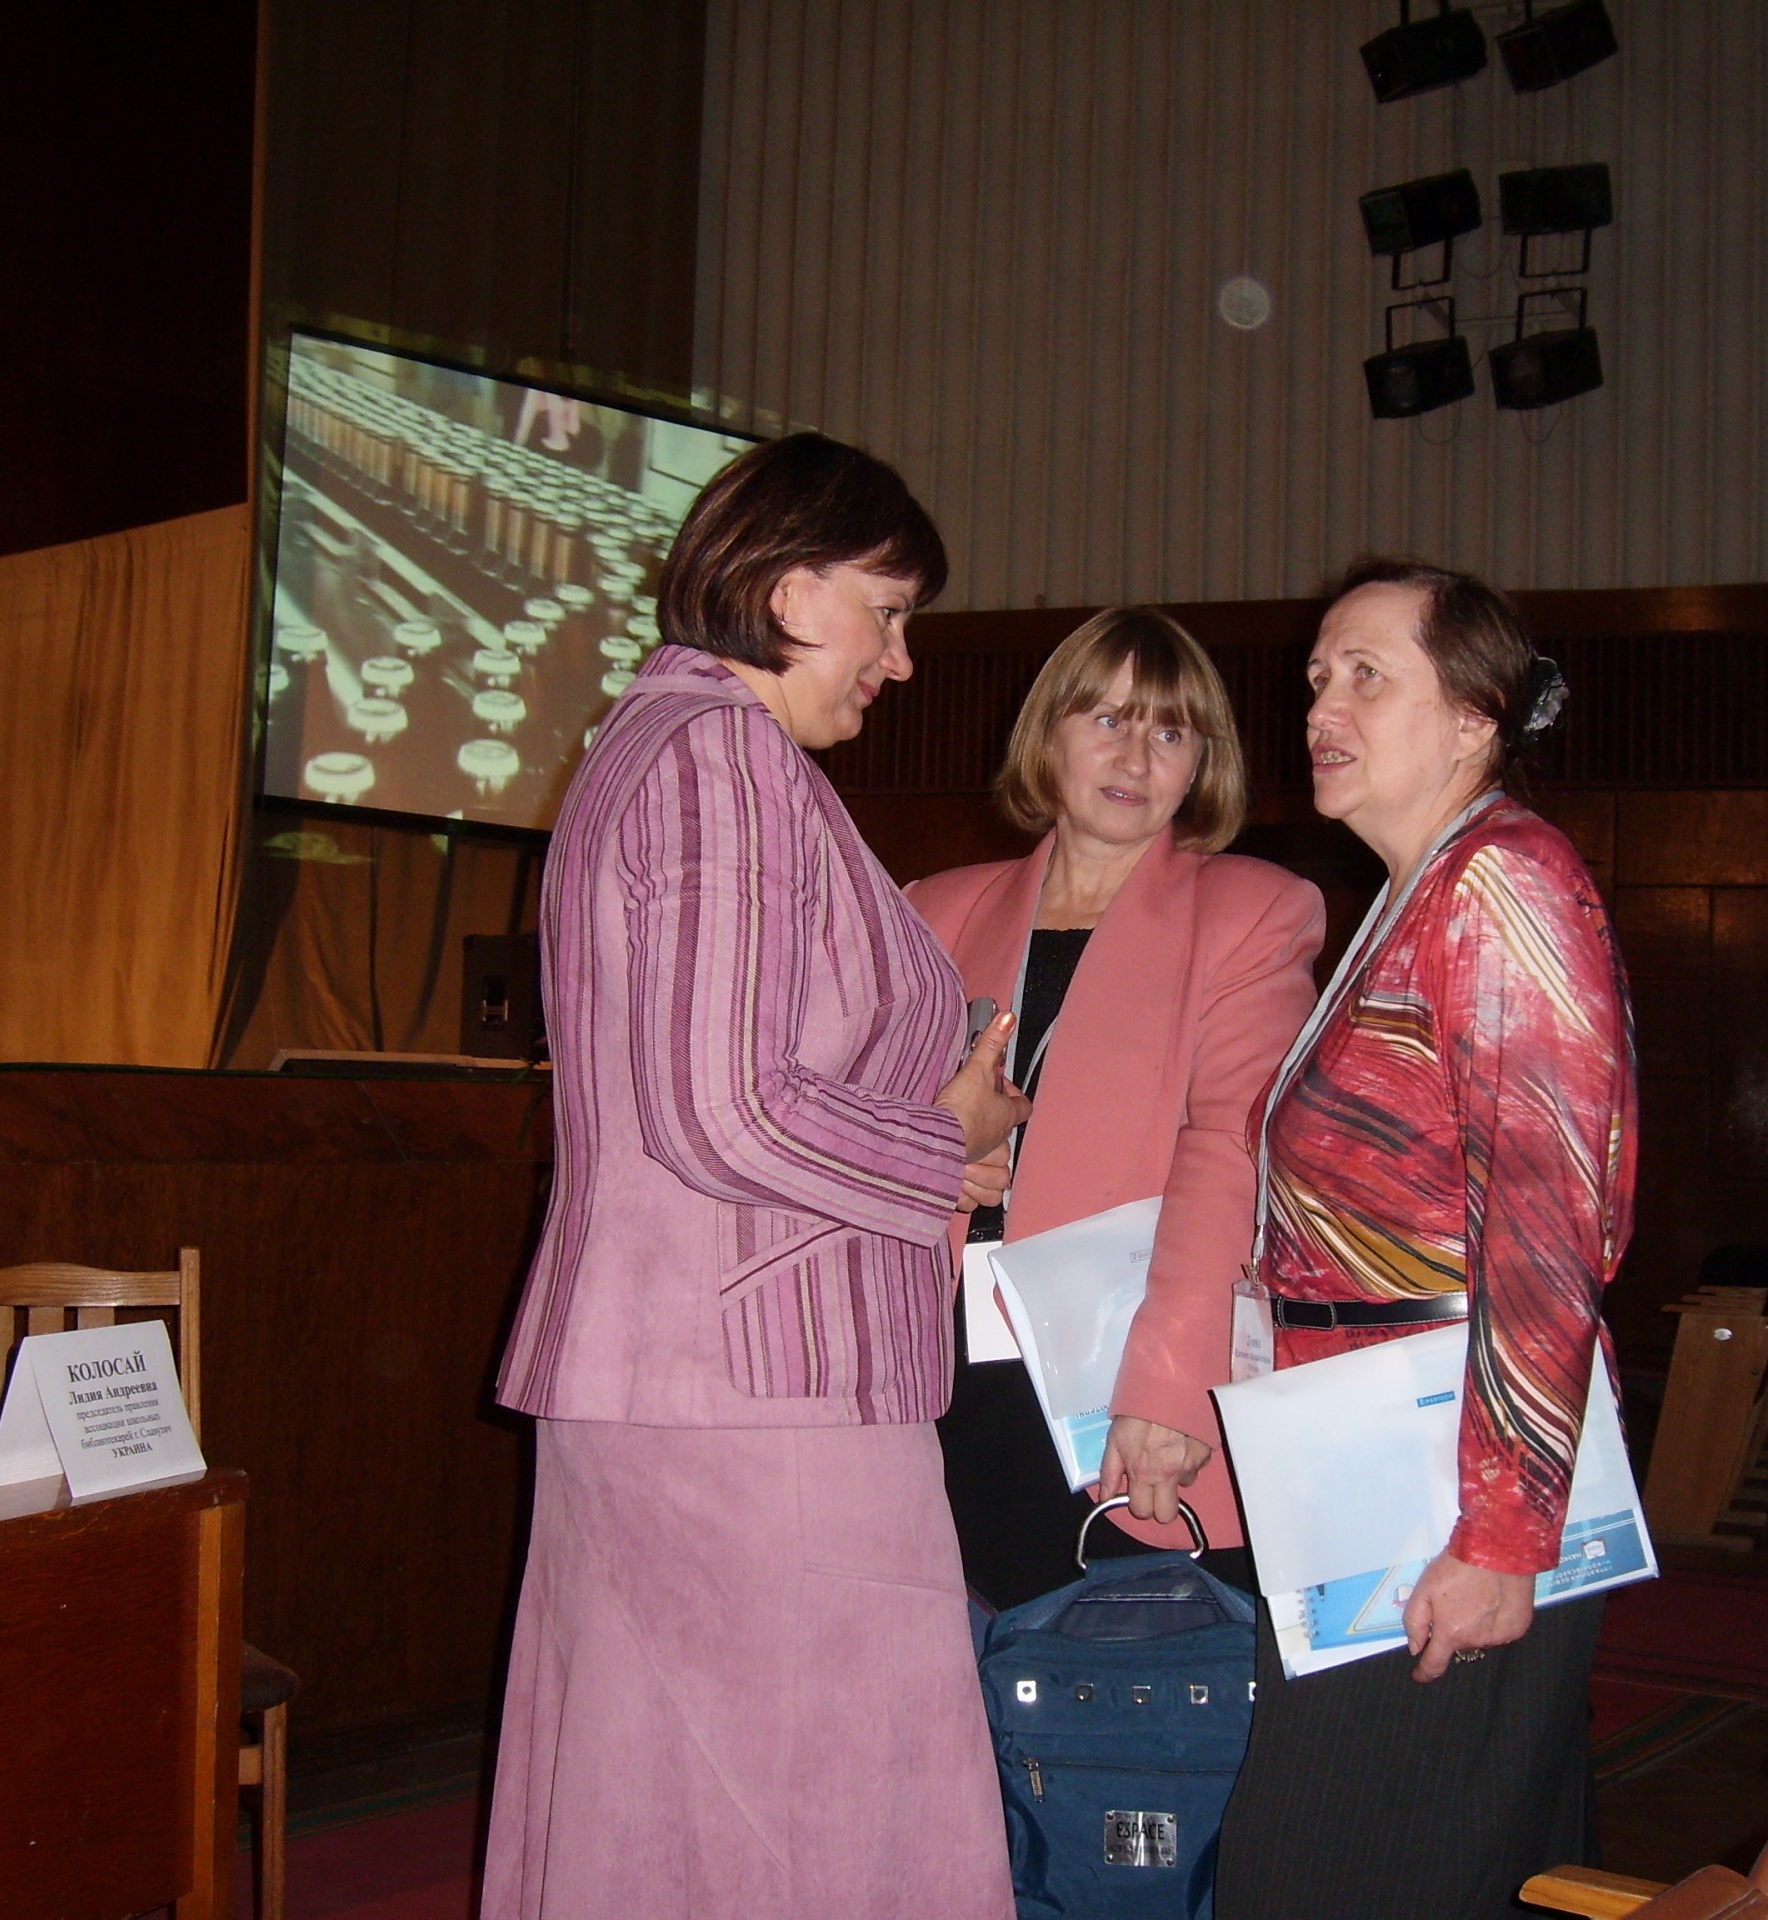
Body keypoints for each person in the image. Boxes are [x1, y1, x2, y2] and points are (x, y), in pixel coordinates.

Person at [483, 432, 1025, 1920]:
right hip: (750, 1397)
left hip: (703, 1382)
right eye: (887, 613)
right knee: (802, 1824)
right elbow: (721, 1111)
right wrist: (949, 1144)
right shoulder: (716, 759)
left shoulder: (679, 747)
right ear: (789, 593)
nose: (901, 660)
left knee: (675, 1820)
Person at [1214, 559, 1637, 1920]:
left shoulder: (1502, 884)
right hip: (1376, 1447)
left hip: (1444, 1469)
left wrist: (1503, 1533)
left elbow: (1548, 1227)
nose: (1321, 707)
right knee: (1415, 1864)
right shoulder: (1424, 888)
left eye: (1366, 676)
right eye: (1316, 678)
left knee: (1338, 1870)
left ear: (1472, 718)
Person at [906, 608, 1325, 1606]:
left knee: (1111, 1675)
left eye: (1170, 731)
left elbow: (1234, 1154)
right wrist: (934, 1155)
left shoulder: (1252, 910)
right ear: (1047, 735)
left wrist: (1173, 1382)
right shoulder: (932, 909)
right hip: (934, 1365)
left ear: (1200, 763)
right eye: (1106, 720)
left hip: (1121, 1375)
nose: (1136, 756)